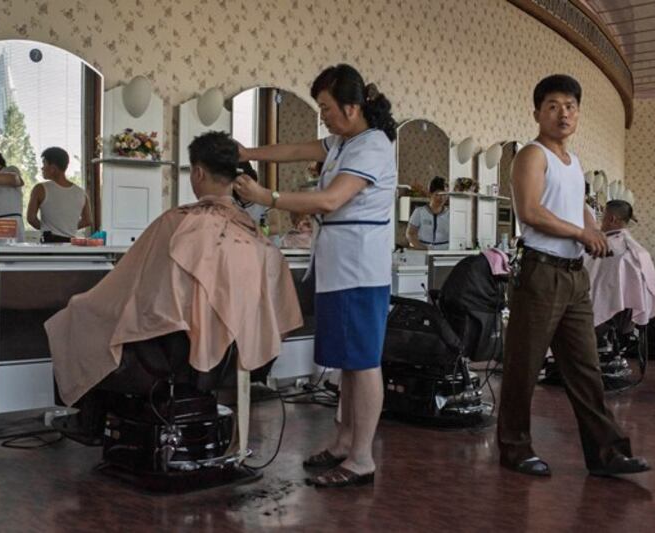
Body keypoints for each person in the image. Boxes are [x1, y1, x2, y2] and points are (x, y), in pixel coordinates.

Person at [45, 131, 302, 407]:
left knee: (77, 314)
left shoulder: (175, 222)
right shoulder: (257, 238)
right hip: (240, 348)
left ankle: (91, 419)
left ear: (198, 173)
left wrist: (84, 304)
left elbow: (133, 291)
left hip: (174, 351)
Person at [234, 63, 397, 488]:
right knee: (346, 362)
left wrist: (266, 196)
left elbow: (330, 199)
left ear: (351, 106)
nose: (322, 115)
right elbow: (298, 149)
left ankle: (362, 458)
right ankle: (344, 442)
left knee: (363, 364)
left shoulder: (373, 146)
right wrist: (248, 154)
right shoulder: (345, 141)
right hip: (339, 264)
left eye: (326, 107)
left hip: (360, 268)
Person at [497, 74, 650, 477]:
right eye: (552, 106)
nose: (562, 113)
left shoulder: (572, 161)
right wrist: (582, 232)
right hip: (540, 272)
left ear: (577, 112)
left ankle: (607, 452)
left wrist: (592, 230)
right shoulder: (532, 155)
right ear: (537, 113)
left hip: (573, 275)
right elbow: (530, 211)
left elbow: (578, 206)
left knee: (586, 367)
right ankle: (514, 448)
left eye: (570, 106)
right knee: (524, 365)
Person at [585, 200, 655, 327]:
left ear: (611, 219)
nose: (601, 221)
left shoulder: (612, 246)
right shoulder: (631, 246)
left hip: (609, 314)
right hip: (627, 312)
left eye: (603, 217)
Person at [26, 147, 92, 243]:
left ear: (53, 168)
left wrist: (47, 229)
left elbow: (31, 218)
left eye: (44, 163)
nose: (42, 167)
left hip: (49, 244)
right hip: (71, 244)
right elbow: (88, 220)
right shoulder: (81, 193)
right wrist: (68, 227)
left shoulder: (40, 189)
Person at [406, 176, 449, 250]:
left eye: (444, 194)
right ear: (430, 194)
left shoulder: (451, 214)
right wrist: (422, 248)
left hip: (444, 252)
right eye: (438, 194)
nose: (441, 198)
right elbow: (410, 233)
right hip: (424, 250)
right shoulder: (419, 212)